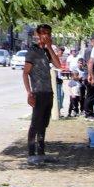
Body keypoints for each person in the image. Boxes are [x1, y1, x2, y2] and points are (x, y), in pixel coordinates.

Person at [22, 24, 65, 164]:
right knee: (35, 123)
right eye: (44, 33)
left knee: (44, 123)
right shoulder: (32, 51)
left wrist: (50, 47)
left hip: (48, 91)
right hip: (38, 92)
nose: (46, 36)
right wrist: (29, 92)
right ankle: (31, 153)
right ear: (38, 35)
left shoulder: (47, 51)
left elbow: (58, 65)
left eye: (48, 33)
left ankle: (41, 152)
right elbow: (25, 73)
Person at [53, 45, 67, 118]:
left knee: (62, 95)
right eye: (61, 53)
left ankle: (59, 110)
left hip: (59, 80)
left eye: (62, 53)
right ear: (57, 52)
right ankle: (57, 111)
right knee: (58, 96)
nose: (61, 54)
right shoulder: (53, 59)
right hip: (55, 80)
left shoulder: (59, 59)